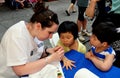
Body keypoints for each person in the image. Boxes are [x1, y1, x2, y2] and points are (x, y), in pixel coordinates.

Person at [0, 2, 64, 78]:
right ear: (38, 26)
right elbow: (20, 70)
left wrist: (48, 51)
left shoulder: (35, 33)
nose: (50, 37)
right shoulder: (17, 36)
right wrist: (49, 59)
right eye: (50, 32)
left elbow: (35, 53)